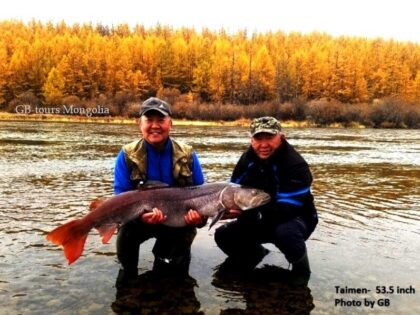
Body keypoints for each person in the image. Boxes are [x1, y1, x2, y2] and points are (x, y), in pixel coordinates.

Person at [214, 116, 318, 286]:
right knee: (224, 235)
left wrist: (245, 212)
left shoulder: (296, 165)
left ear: (281, 137)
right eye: (258, 138)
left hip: (297, 218)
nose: (263, 145)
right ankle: (256, 254)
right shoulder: (247, 159)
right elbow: (233, 189)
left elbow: (288, 209)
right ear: (251, 139)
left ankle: (302, 272)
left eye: (269, 138)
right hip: (258, 214)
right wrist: (226, 209)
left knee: (285, 233)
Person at [113, 97, 206, 283]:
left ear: (170, 123)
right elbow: (120, 200)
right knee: (126, 234)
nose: (155, 125)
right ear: (139, 123)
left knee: (173, 275)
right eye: (149, 120)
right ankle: (128, 283)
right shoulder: (126, 155)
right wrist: (140, 217)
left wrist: (200, 219)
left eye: (161, 120)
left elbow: (202, 195)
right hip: (139, 221)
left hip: (178, 222)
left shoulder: (188, 155)